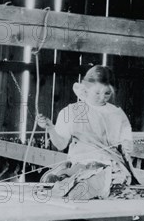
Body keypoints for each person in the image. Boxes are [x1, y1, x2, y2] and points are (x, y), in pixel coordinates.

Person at [36, 65, 135, 196]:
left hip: (108, 166)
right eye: (97, 93)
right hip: (79, 163)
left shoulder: (117, 114)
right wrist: (50, 128)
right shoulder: (71, 111)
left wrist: (127, 146)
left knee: (84, 186)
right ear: (86, 89)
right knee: (52, 180)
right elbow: (61, 145)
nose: (102, 98)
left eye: (107, 93)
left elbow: (127, 145)